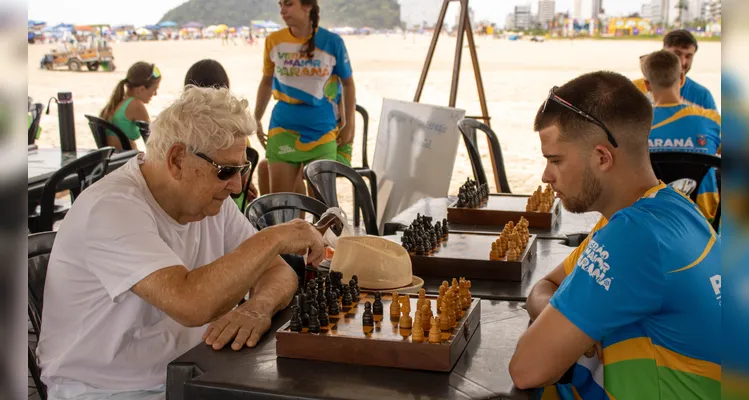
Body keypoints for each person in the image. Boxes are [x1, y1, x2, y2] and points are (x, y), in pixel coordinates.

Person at [37, 87, 325, 400]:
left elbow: (278, 271)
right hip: (107, 390)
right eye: (226, 171)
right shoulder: (111, 208)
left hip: (191, 371)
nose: (238, 185)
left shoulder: (209, 198)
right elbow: (190, 304)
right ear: (177, 159)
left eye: (241, 170)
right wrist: (274, 236)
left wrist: (257, 307)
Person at [509, 71, 721, 399]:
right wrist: (561, 313)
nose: (546, 176)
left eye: (556, 160)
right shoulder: (670, 207)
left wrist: (562, 320)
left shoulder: (636, 237)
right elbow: (545, 286)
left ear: (602, 158)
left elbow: (526, 370)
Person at [254, 0, 356, 195]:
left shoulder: (332, 42)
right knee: (282, 202)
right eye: (280, 5)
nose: (283, 11)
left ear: (308, 6)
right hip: (283, 126)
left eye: (289, 4)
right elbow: (267, 82)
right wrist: (256, 118)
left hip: (321, 128)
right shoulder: (274, 41)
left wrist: (348, 123)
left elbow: (348, 83)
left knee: (323, 206)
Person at [641, 49, 721, 223]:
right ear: (682, 79)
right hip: (703, 221)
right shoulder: (710, 120)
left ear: (647, 85)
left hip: (650, 220)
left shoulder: (635, 126)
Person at [184, 59, 259, 208]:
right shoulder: (235, 135)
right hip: (228, 203)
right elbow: (240, 186)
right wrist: (245, 179)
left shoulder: (177, 125)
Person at [632, 29, 717, 111]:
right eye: (677, 54)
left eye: (688, 56)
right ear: (662, 53)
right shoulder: (632, 91)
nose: (682, 62)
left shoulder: (702, 96)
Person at [99, 62, 161, 150]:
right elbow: (153, 141)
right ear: (141, 89)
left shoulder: (117, 102)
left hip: (115, 159)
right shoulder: (136, 105)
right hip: (127, 160)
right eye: (154, 89)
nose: (155, 94)